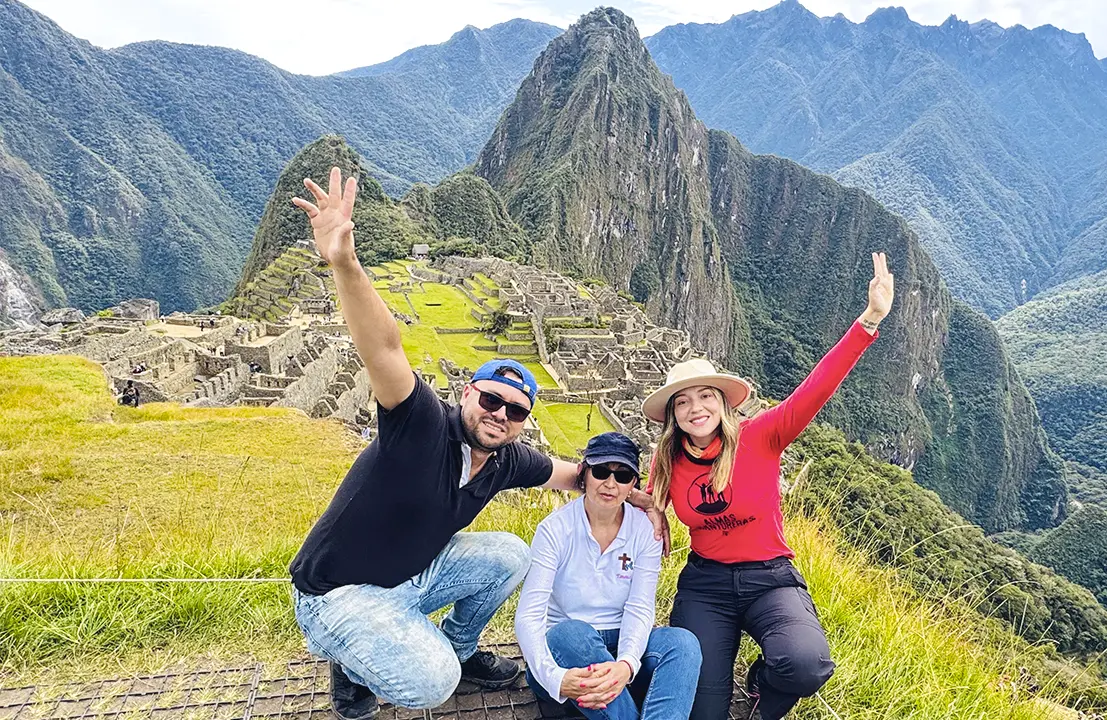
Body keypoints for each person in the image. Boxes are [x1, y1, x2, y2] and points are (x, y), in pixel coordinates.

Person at [287, 168, 666, 720]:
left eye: (515, 411)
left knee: (512, 555)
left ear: (522, 421)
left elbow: (575, 475)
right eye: (491, 400)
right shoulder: (419, 423)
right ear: (469, 393)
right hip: (336, 592)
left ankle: (458, 649)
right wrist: (344, 263)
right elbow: (386, 350)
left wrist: (632, 494)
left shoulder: (507, 457)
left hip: (414, 576)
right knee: (429, 683)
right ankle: (350, 663)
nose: (500, 415)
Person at [642, 252, 895, 720]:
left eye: (705, 397)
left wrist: (869, 320)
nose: (695, 408)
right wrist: (651, 507)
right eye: (683, 402)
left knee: (805, 665)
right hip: (706, 585)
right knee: (703, 712)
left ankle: (762, 687)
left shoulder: (762, 436)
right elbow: (646, 493)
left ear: (722, 403)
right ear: (673, 416)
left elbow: (816, 387)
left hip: (769, 578)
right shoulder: (668, 457)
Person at [516, 432, 700, 720]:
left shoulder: (644, 530)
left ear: (633, 485)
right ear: (584, 474)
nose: (611, 484)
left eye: (623, 475)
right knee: (569, 633)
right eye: (601, 471)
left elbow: (639, 606)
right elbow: (529, 614)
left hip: (620, 644)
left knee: (682, 644)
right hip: (566, 657)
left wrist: (626, 664)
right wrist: (553, 678)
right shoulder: (555, 530)